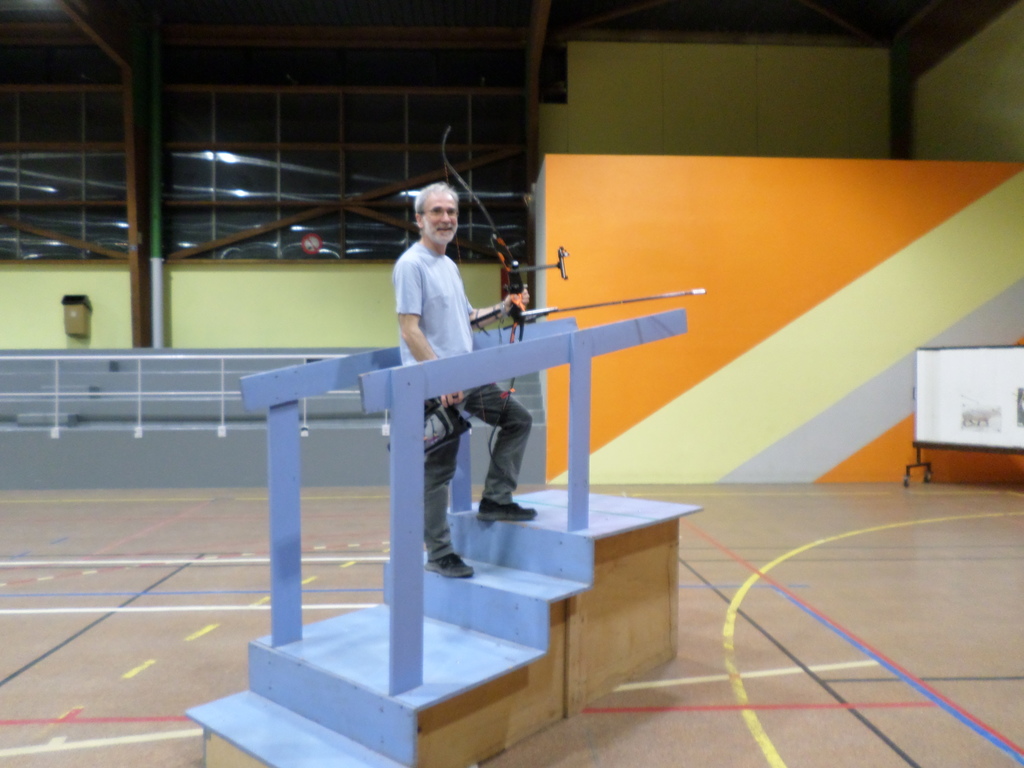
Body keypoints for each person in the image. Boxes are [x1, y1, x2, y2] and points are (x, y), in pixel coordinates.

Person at [393, 181, 537, 578]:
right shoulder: (411, 265)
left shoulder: (449, 265)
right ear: (419, 219)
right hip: (434, 385)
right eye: (436, 211)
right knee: (438, 472)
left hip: (467, 378)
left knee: (518, 419)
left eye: (451, 211)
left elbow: (468, 318)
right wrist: (440, 379)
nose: (446, 218)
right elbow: (409, 329)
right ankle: (440, 553)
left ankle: (496, 498)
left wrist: (505, 307)